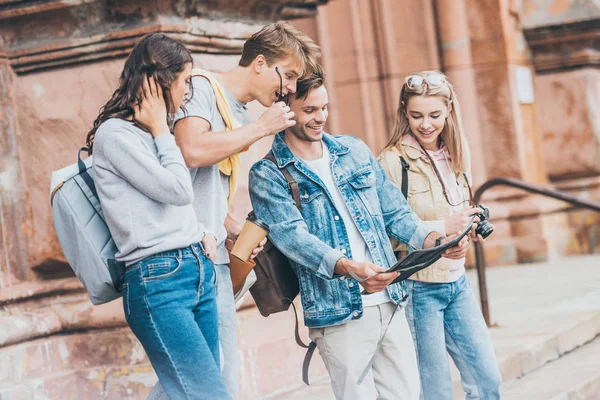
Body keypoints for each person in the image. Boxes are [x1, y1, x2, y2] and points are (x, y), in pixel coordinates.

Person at [248, 66, 469, 400]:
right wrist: (352, 269)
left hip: (390, 300)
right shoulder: (268, 173)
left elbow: (397, 214)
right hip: (338, 311)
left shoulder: (353, 151)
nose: (320, 118)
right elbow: (294, 239)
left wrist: (436, 243)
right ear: (285, 109)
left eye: (324, 108)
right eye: (309, 110)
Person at [166, 21, 321, 399]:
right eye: (286, 77)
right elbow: (192, 151)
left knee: (204, 378)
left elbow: (199, 191)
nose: (288, 90)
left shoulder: (236, 110)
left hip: (213, 256)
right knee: (212, 379)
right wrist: (260, 129)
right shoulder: (203, 87)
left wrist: (235, 229)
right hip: (189, 258)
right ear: (260, 62)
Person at [88, 34, 229, 399]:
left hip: (195, 269)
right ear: (160, 83)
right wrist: (163, 131)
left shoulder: (150, 134)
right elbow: (178, 190)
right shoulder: (114, 135)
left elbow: (172, 204)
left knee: (180, 392)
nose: (188, 93)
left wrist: (201, 230)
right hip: (158, 281)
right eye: (184, 82)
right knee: (208, 394)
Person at [378, 70, 502, 399]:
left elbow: (459, 208)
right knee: (435, 392)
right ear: (404, 112)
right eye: (416, 115)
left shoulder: (458, 154)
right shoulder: (392, 162)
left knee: (488, 380)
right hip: (419, 289)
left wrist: (468, 228)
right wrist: (438, 238)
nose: (426, 124)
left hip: (457, 284)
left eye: (434, 115)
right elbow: (386, 229)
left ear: (448, 110)